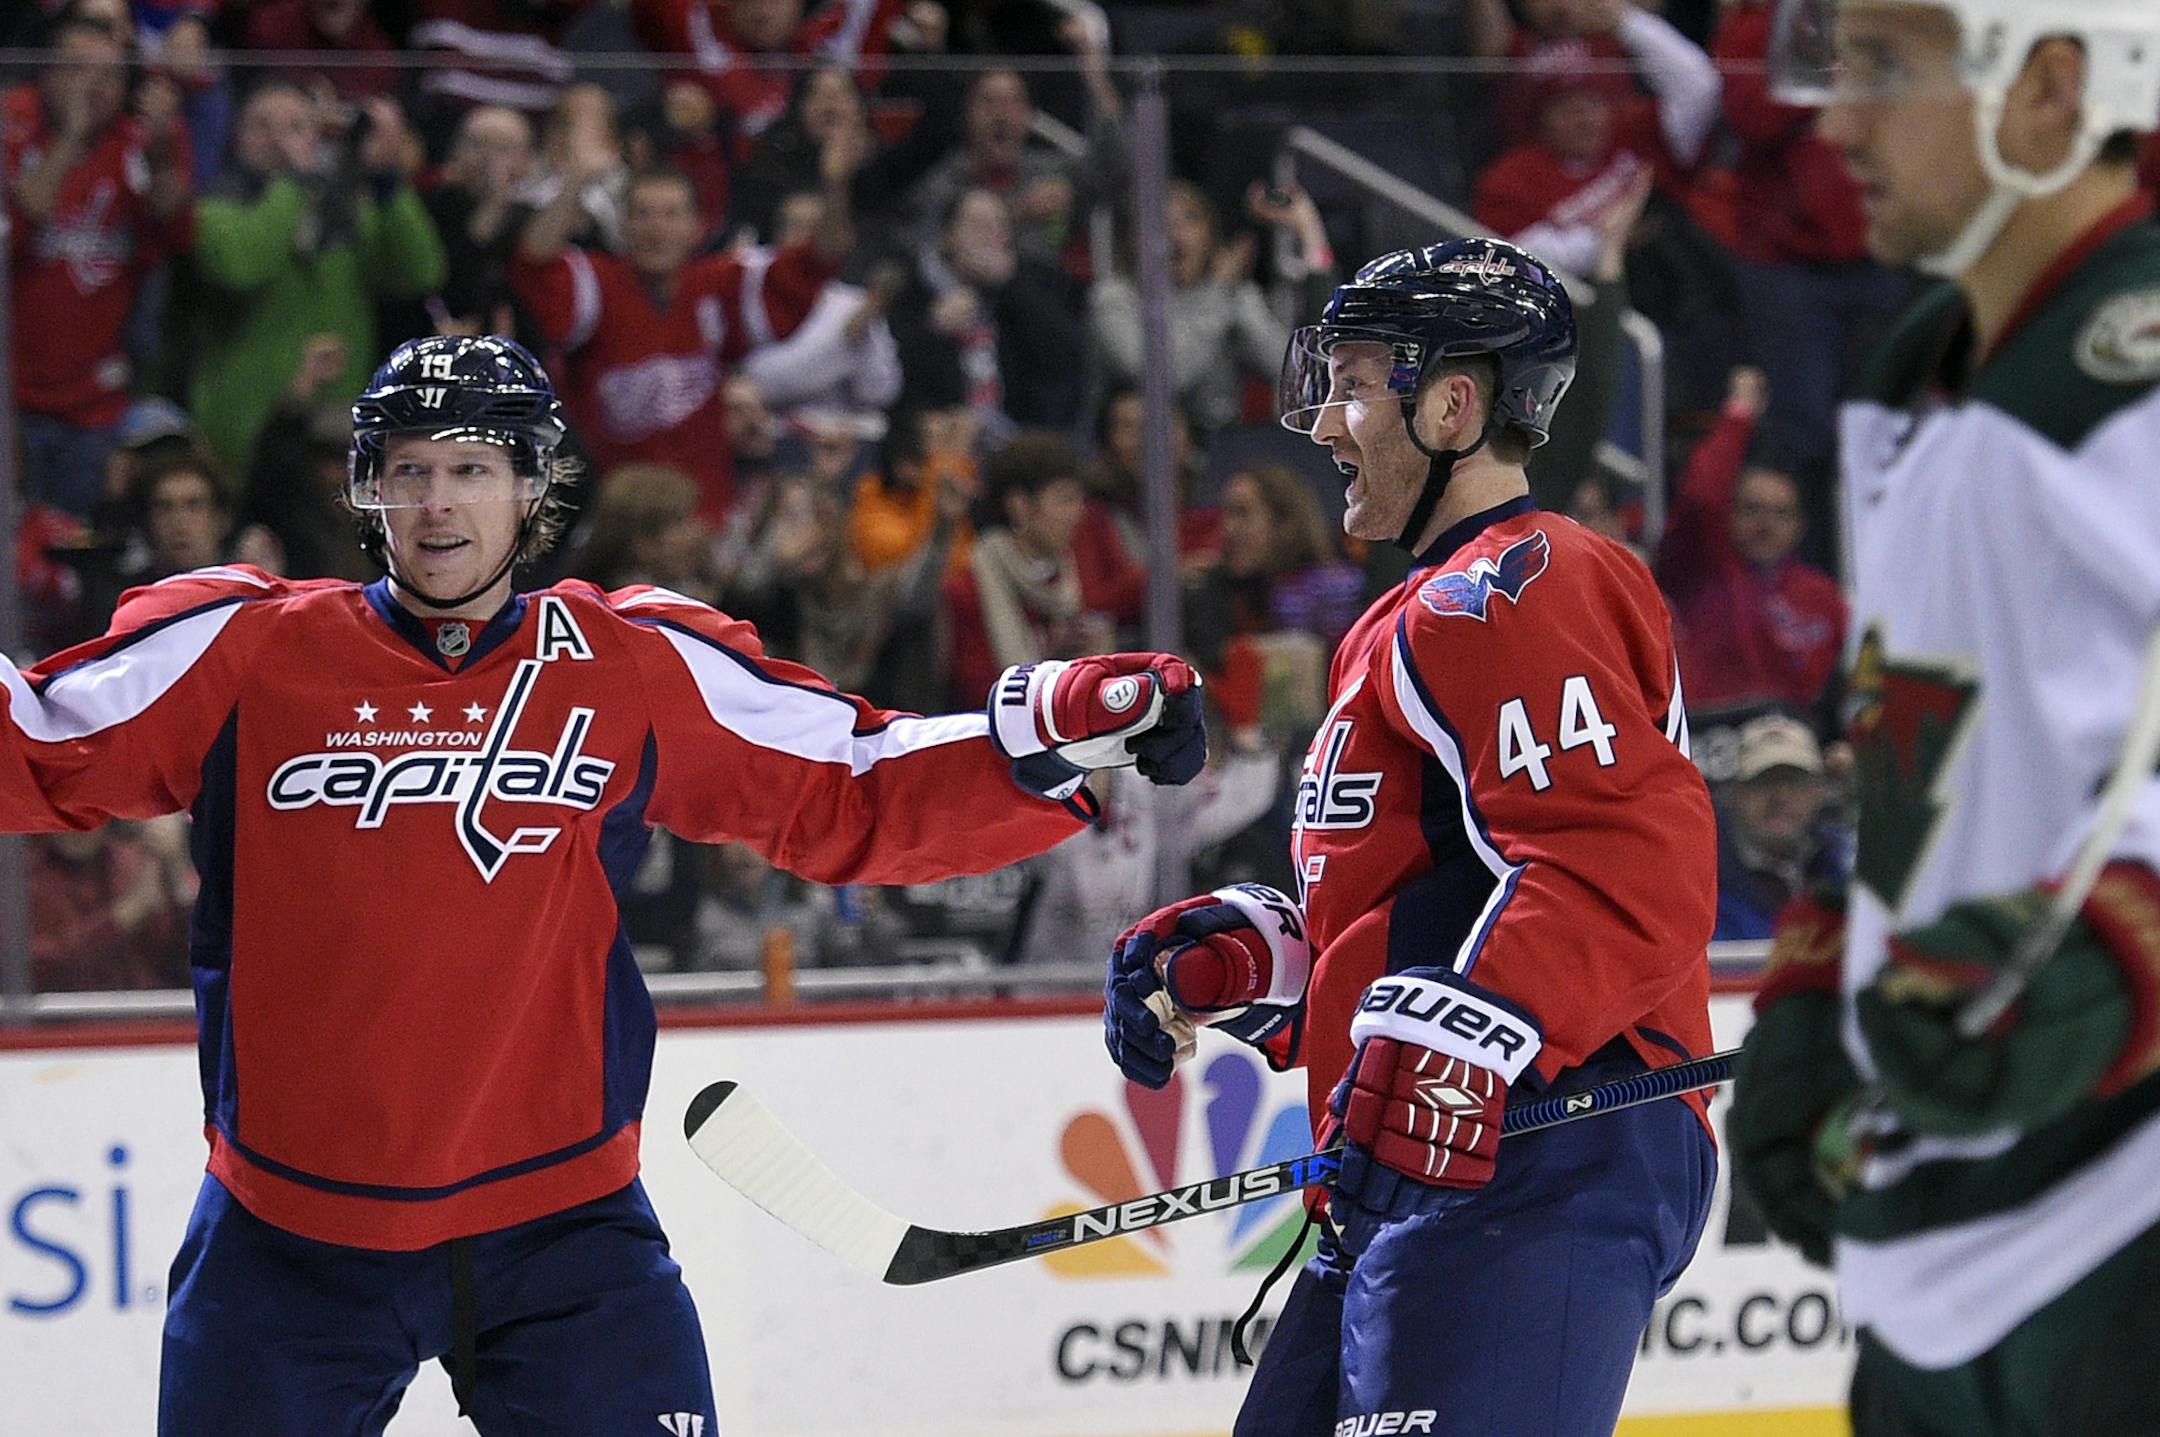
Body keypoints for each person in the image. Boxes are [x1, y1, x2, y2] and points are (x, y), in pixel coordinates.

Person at [0, 333, 1207, 1435]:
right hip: (287, 1239)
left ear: (531, 488)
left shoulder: (624, 661)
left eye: (470, 467)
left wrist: (1053, 727)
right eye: (407, 469)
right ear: (368, 489)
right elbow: (40, 742)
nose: (436, 503)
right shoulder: (248, 649)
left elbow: (846, 784)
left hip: (562, 1239)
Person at [1100, 239, 1718, 1437]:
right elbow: (1440, 906)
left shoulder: (1515, 583)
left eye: (1352, 384)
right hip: (1419, 1162)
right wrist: (1255, 959)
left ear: (1451, 404)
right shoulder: (1393, 623)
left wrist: (1462, 1042)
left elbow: (1622, 863)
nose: (1325, 423)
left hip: (1552, 1138)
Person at [1728, 3, 2160, 1433]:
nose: (1835, 124)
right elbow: (1940, 752)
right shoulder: (1909, 378)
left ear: (2050, 90)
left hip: (2120, 1236)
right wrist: (1825, 981)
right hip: (1926, 1259)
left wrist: (2130, 948)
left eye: (1886, 75)